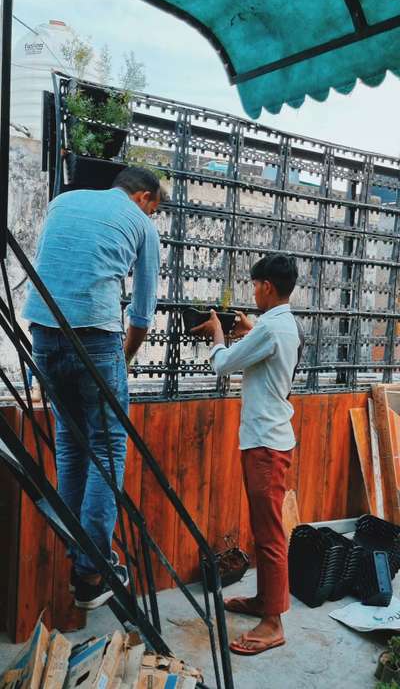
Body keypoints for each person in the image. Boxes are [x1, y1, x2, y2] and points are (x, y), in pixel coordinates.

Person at [22, 166, 162, 610]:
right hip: (96, 339)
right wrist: (123, 358)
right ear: (143, 197)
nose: (152, 215)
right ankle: (91, 568)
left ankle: (79, 554)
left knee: (70, 443)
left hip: (42, 334)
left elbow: (48, 267)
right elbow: (141, 312)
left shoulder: (63, 201)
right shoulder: (141, 224)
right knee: (106, 448)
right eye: (155, 208)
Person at [192, 253, 300, 656]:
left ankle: (273, 623)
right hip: (270, 439)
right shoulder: (282, 324)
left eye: (255, 285)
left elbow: (224, 365)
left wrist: (219, 333)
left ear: (267, 286)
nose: (253, 292)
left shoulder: (270, 327)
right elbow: (267, 353)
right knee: (263, 528)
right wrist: (248, 330)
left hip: (265, 445)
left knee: (270, 535)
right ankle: (264, 602)